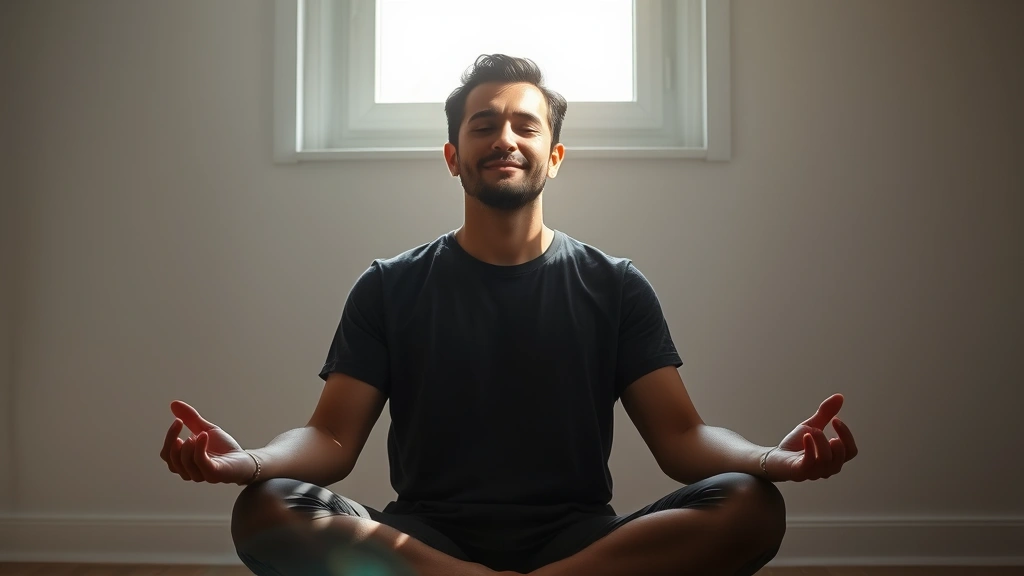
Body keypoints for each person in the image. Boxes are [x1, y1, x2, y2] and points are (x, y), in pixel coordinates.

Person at [160, 54, 858, 576]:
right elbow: (331, 441)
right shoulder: (389, 286)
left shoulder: (614, 286)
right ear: (452, 156)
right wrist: (247, 461)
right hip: (426, 543)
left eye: (526, 125)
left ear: (553, 157)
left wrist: (773, 459)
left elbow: (681, 437)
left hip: (579, 541)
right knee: (265, 507)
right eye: (483, 124)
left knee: (752, 502)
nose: (505, 138)